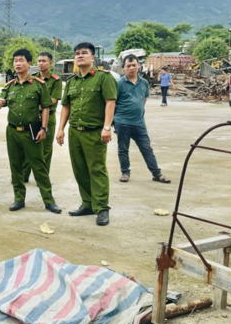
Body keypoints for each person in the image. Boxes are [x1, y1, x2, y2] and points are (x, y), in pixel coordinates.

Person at [0, 49, 61, 214]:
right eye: (15, 60)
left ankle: (49, 200)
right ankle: (19, 199)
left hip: (31, 131)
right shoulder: (10, 86)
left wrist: (44, 128)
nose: (17, 63)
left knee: (39, 165)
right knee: (15, 166)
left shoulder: (39, 85)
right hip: (13, 131)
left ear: (29, 64)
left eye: (21, 60)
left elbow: (46, 107)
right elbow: (0, 102)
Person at [57, 42, 117, 226]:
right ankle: (88, 203)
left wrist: (106, 127)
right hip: (75, 132)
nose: (80, 56)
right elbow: (66, 106)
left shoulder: (103, 78)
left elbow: (110, 101)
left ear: (93, 57)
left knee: (96, 169)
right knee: (80, 169)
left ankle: (102, 208)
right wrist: (61, 129)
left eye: (84, 53)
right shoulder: (72, 81)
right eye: (77, 53)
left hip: (95, 132)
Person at [115, 55, 171, 184]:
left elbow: (143, 100)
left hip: (139, 123)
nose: (132, 68)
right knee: (123, 149)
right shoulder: (119, 83)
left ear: (138, 66)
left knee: (146, 148)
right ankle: (125, 172)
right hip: (122, 122)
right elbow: (113, 102)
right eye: (128, 66)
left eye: (134, 65)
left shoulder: (144, 83)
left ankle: (157, 174)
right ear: (124, 68)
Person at [23, 52, 62, 183]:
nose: (40, 63)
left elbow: (53, 100)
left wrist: (36, 105)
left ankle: (42, 178)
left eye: (44, 61)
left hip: (48, 119)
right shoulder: (32, 78)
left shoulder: (55, 81)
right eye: (39, 61)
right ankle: (24, 175)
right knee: (29, 147)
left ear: (50, 63)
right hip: (32, 118)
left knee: (45, 150)